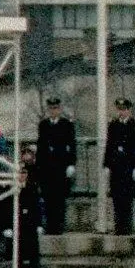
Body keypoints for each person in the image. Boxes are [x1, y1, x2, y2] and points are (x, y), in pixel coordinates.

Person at [31, 96, 79, 237]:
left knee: (59, 198)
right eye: (51, 108)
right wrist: (38, 167)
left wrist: (71, 163)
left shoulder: (66, 125)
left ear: (59, 109)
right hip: (46, 167)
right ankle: (50, 226)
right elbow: (41, 147)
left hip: (60, 166)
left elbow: (72, 145)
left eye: (56, 108)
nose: (53, 111)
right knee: (48, 198)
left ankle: (58, 226)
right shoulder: (44, 125)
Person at [102, 96, 135, 235]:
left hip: (129, 167)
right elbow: (109, 146)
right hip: (116, 168)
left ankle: (126, 228)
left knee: (127, 199)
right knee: (116, 198)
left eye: (124, 109)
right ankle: (118, 227)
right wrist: (107, 164)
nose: (122, 112)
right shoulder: (113, 125)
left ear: (129, 110)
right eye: (119, 109)